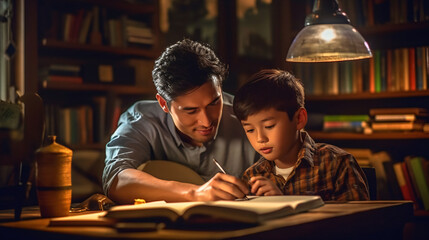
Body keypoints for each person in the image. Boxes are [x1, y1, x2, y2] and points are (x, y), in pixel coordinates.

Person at [102, 39, 258, 204]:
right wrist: (195, 193)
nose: (206, 122)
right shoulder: (142, 120)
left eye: (214, 103)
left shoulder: (248, 116)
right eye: (191, 110)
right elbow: (116, 180)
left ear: (220, 88)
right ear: (163, 104)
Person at [233, 69, 369, 201]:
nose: (260, 139)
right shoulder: (252, 177)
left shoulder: (337, 164)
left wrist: (283, 203)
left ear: (299, 119)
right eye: (250, 130)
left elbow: (358, 223)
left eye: (269, 126)